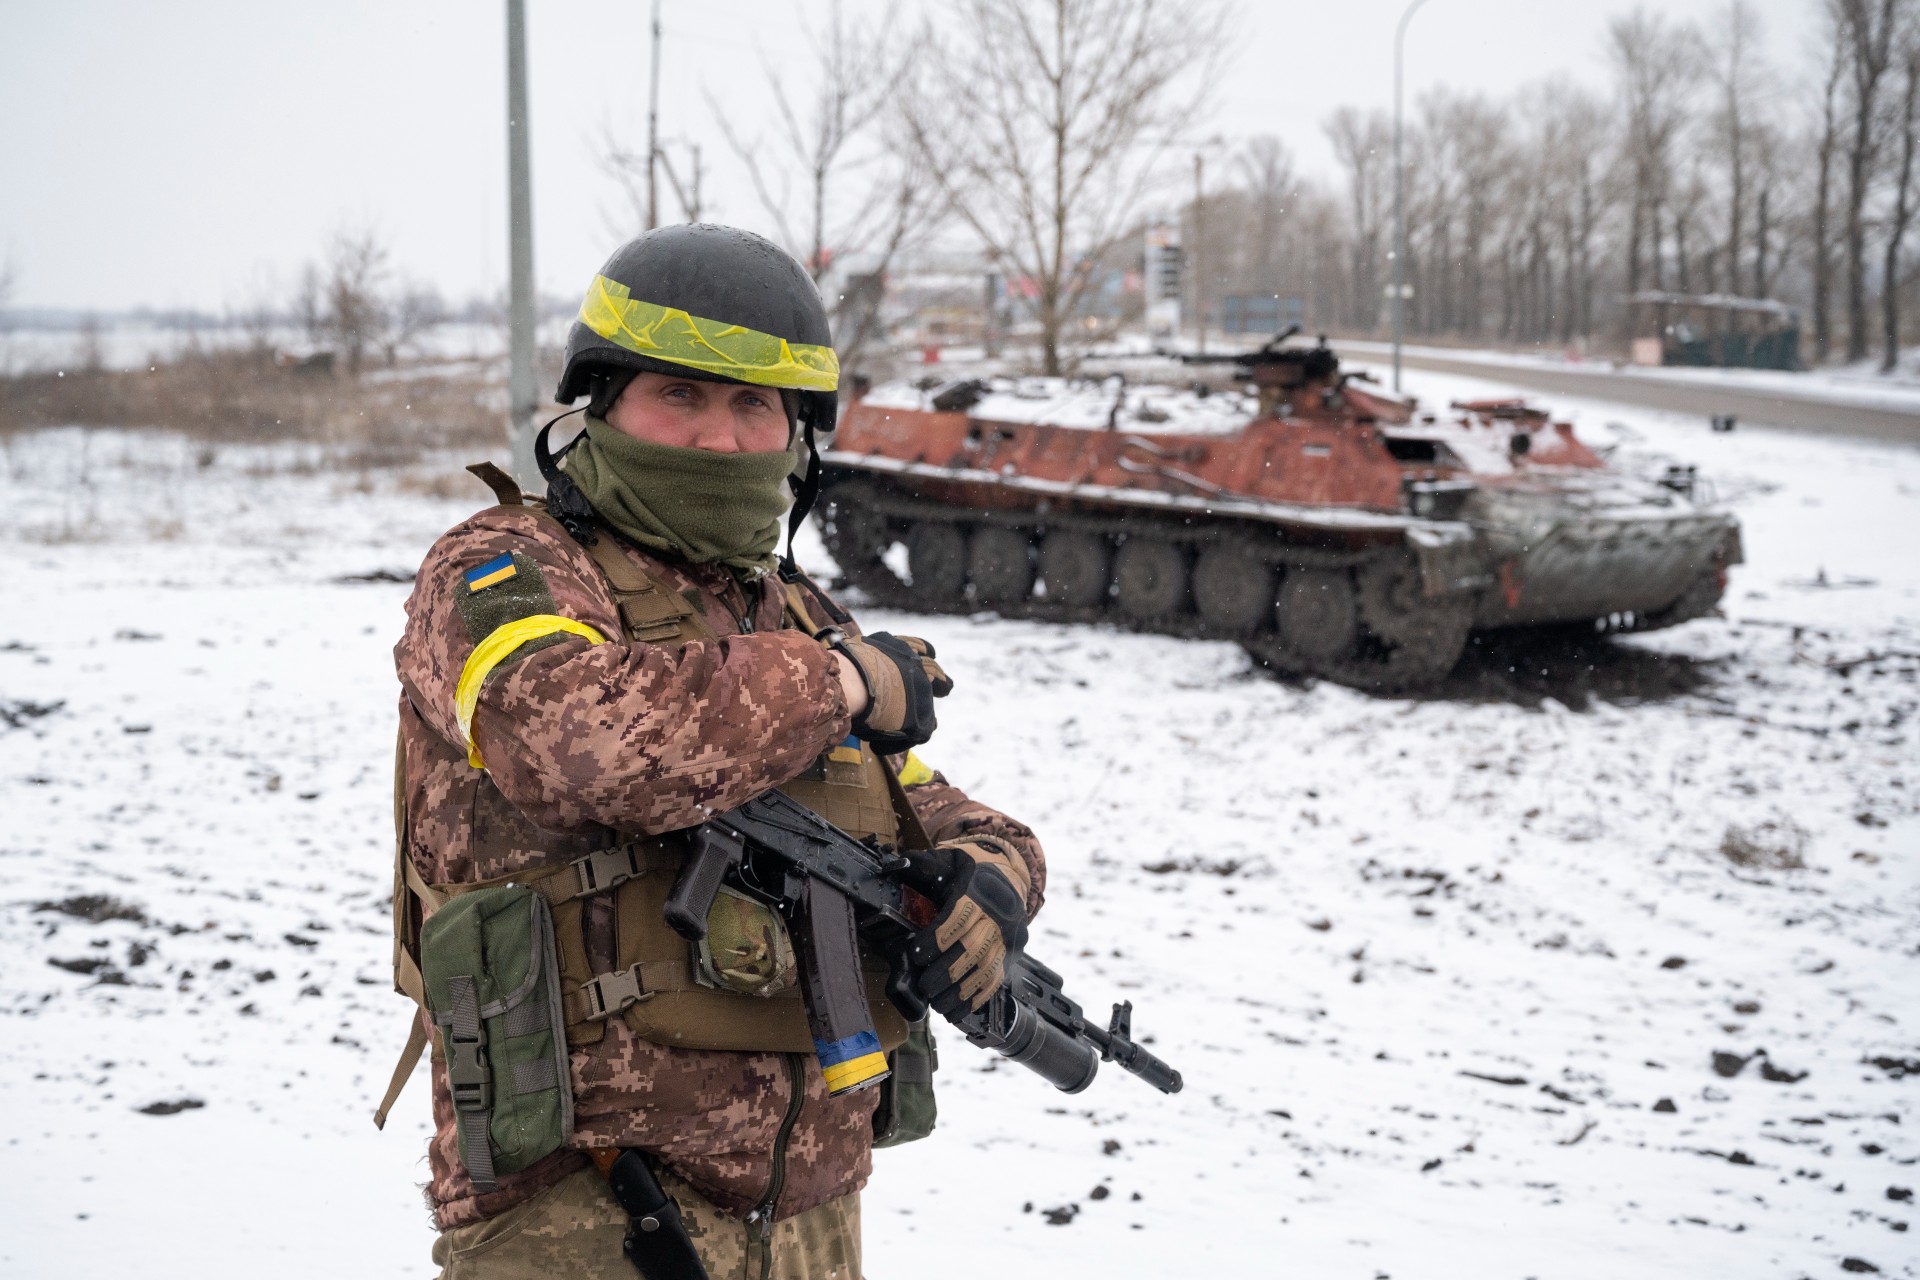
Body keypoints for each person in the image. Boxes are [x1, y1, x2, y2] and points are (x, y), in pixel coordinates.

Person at [380, 223, 1047, 1280]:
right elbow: (569, 735)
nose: (719, 438)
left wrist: (996, 876)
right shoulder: (504, 566)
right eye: (677, 396)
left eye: (753, 406)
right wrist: (836, 681)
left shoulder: (796, 610)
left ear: (796, 435)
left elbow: (926, 803)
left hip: (811, 1218)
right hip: (580, 1210)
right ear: (601, 402)